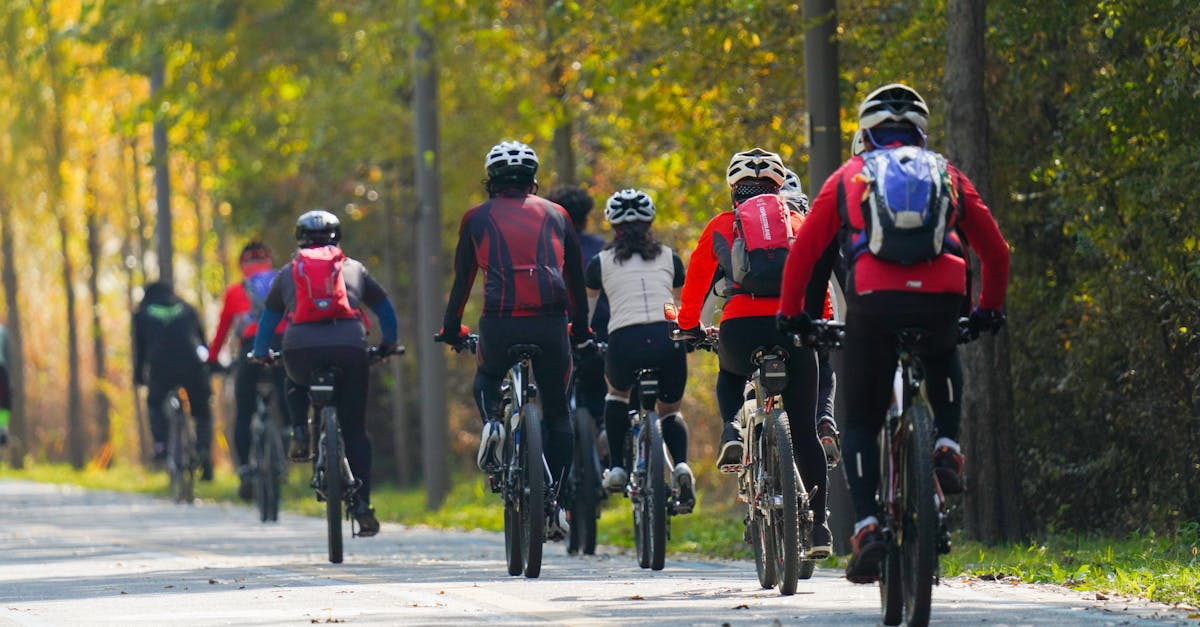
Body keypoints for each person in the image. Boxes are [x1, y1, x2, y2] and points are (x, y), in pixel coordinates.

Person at [777, 83, 1010, 583]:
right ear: (920, 133)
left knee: (859, 418)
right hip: (942, 297)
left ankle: (865, 527)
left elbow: (806, 253)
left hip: (874, 301)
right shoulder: (946, 173)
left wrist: (793, 314)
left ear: (866, 131)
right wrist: (988, 308)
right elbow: (995, 250)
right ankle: (946, 445)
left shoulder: (851, 175)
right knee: (944, 352)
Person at [676, 147, 835, 558]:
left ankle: (731, 428)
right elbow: (821, 286)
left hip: (740, 326)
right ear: (779, 188)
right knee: (803, 431)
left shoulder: (721, 225)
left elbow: (695, 286)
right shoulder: (799, 221)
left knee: (730, 375)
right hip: (793, 326)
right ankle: (818, 527)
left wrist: (688, 327)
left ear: (733, 191)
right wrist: (819, 323)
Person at [436, 140, 593, 542]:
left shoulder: (476, 218)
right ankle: (554, 501)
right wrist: (581, 327)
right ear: (533, 180)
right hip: (551, 325)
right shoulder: (558, 215)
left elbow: (463, 281)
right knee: (557, 414)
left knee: (487, 377)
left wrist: (452, 328)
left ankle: (492, 424)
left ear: (491, 182)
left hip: (500, 324)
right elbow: (575, 279)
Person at [251, 210, 399, 537]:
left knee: (294, 380)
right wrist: (388, 344)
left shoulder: (289, 273)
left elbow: (267, 321)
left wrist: (262, 354)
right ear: (338, 237)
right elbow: (384, 309)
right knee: (356, 431)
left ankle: (300, 434)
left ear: (299, 240)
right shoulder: (353, 268)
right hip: (350, 348)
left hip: (300, 348)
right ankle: (362, 505)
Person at [585, 189, 694, 512]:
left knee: (617, 396)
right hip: (667, 339)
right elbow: (681, 306)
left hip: (624, 343)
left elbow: (587, 318)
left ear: (613, 225)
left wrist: (583, 341)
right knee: (670, 410)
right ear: (650, 222)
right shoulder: (669, 257)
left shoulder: (599, 263)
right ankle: (683, 465)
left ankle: (617, 466)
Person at [208, 241, 289, 501]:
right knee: (289, 397)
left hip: (250, 351)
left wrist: (212, 360)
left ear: (243, 265)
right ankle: (291, 440)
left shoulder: (235, 292)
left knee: (244, 411)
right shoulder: (285, 284)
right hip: (284, 347)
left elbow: (222, 331)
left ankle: (244, 470)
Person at [782, 167, 842, 468]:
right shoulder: (811, 225)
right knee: (824, 369)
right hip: (811, 319)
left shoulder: (746, 227)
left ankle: (746, 435)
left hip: (758, 320)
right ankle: (824, 419)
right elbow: (837, 280)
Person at [544, 185, 610, 449]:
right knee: (599, 386)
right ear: (585, 218)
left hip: (558, 330)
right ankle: (604, 426)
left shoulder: (547, 249)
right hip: (599, 331)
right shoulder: (601, 249)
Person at [133, 281, 214, 479]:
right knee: (202, 410)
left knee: (155, 404)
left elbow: (139, 350)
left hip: (160, 368)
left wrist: (138, 376)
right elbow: (202, 342)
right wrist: (209, 367)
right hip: (192, 366)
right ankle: (203, 450)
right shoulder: (187, 308)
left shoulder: (142, 314)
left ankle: (161, 445)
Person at [0, 322, 11, 447]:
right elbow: (9, 357)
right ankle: (2, 427)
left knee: (4, 402)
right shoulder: (3, 331)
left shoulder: (3, 331)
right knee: (5, 402)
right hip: (1, 369)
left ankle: (2, 428)